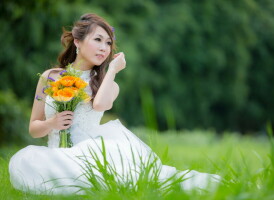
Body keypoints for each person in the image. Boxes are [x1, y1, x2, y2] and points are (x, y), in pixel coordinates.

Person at [9, 13, 220, 195]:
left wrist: (111, 70)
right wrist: (52, 123)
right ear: (77, 41)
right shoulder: (49, 77)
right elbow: (34, 129)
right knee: (25, 164)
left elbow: (100, 105)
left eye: (108, 43)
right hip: (56, 151)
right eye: (98, 40)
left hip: (89, 152)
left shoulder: (109, 84)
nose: (104, 48)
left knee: (137, 179)